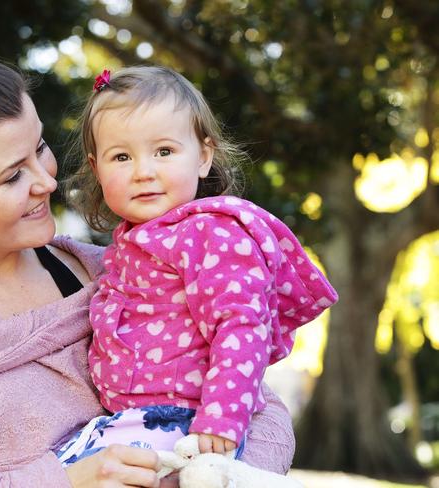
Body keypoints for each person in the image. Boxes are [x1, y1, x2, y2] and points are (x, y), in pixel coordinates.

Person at [0, 57, 297, 488]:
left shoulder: (107, 270)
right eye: (12, 175)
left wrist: (213, 474)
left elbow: (260, 408)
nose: (48, 181)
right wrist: (62, 481)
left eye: (41, 148)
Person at [59, 66, 338, 466]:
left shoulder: (212, 233)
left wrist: (221, 420)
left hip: (189, 422)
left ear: (203, 156)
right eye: (121, 156)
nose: (144, 171)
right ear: (96, 166)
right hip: (129, 421)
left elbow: (242, 326)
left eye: (164, 151)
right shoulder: (130, 240)